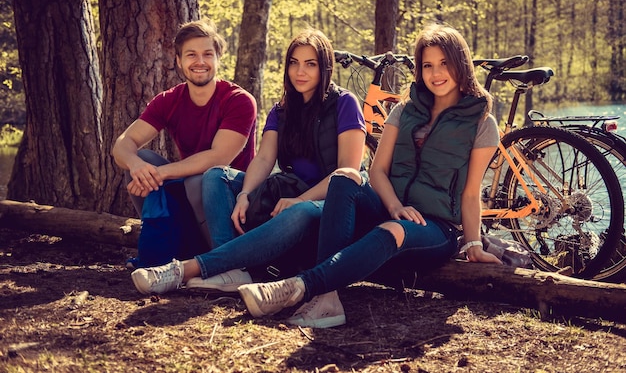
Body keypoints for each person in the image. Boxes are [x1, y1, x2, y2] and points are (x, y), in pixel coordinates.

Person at [236, 23, 504, 328]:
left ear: (461, 64)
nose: (436, 73)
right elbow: (376, 170)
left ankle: (304, 288)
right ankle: (328, 300)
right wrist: (393, 205)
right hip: (391, 208)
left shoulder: (482, 124)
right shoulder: (404, 110)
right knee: (345, 175)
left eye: (444, 63)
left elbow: (470, 194)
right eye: (427, 65)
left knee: (393, 229)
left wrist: (474, 244)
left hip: (435, 228)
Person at [130, 28, 366, 295]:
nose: (300, 72)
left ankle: (190, 268)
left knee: (299, 211)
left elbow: (346, 172)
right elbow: (264, 158)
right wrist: (244, 194)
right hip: (290, 191)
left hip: (328, 203)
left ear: (325, 68)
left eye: (310, 64)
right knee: (216, 175)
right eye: (294, 63)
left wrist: (301, 200)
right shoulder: (282, 110)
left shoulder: (345, 103)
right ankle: (232, 271)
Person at [112, 19, 257, 247]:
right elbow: (123, 144)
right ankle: (167, 245)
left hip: (235, 199)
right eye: (191, 55)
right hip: (193, 193)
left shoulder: (238, 100)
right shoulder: (168, 100)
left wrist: (160, 173)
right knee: (142, 161)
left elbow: (219, 158)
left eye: (208, 54)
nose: (200, 62)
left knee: (200, 180)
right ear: (178, 61)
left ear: (218, 58)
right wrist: (135, 165)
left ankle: (222, 255)